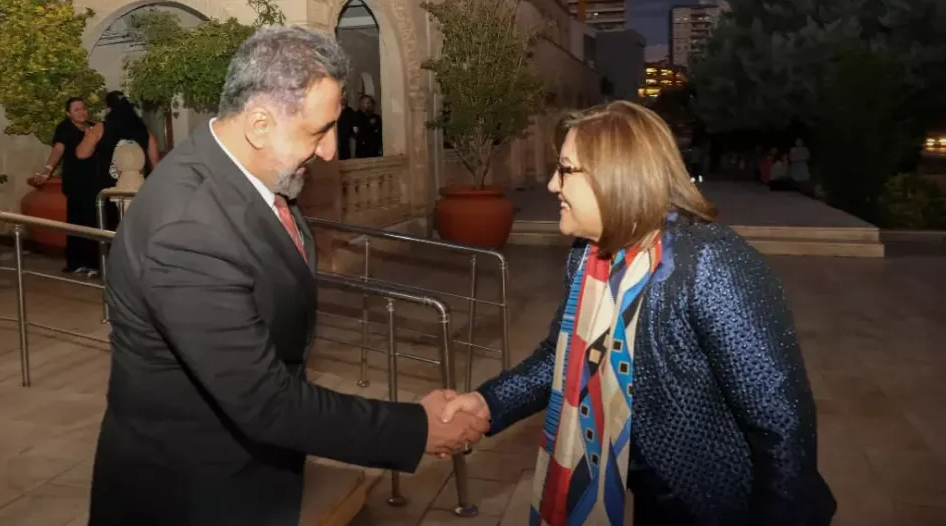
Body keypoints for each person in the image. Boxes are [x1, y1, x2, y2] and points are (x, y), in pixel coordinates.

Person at [87, 26, 488, 526]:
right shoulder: (188, 229)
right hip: (194, 493)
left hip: (254, 472)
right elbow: (265, 401)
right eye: (319, 131)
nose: (330, 151)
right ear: (259, 124)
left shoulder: (251, 175)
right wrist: (417, 428)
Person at [440, 101, 835, 526]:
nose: (553, 185)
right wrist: (488, 402)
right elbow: (564, 355)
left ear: (614, 176)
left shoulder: (710, 266)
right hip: (644, 491)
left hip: (715, 506)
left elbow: (782, 427)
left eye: (566, 170)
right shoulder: (588, 256)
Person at [33, 97, 100, 277]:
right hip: (76, 182)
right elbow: (58, 150)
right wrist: (47, 170)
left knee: (94, 220)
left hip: (94, 182)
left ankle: (95, 263)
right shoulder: (65, 128)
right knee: (78, 220)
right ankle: (78, 262)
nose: (82, 112)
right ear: (68, 113)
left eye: (83, 108)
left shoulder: (95, 127)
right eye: (76, 109)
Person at [76, 91, 160, 230]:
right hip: (138, 189)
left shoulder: (101, 128)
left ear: (109, 108)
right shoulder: (145, 131)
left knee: (110, 230)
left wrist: (87, 136)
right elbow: (155, 162)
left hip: (109, 191)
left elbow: (81, 154)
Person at [353, 93, 382, 158]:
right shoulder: (357, 116)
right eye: (367, 103)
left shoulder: (376, 117)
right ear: (361, 104)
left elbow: (379, 132)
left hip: (375, 151)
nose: (370, 105)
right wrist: (369, 124)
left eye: (370, 103)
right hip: (363, 152)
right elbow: (359, 132)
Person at [336, 89, 357, 160]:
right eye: (341, 96)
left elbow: (354, 130)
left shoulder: (350, 112)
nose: (344, 98)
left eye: (345, 96)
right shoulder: (332, 111)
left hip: (346, 145)